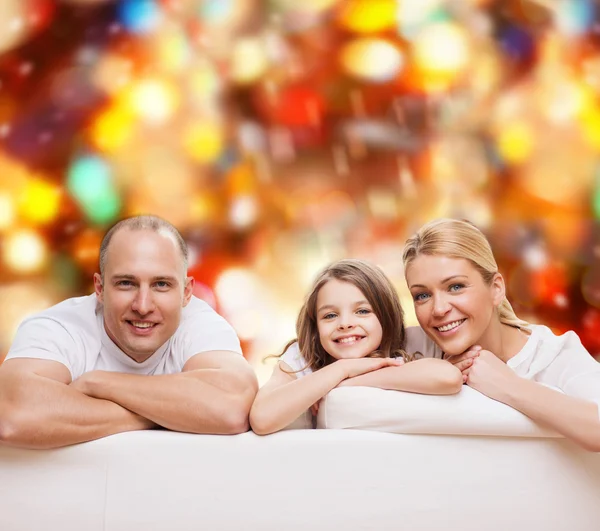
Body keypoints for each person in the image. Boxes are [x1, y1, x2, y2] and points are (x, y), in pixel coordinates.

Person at [0, 215, 258, 449]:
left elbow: (232, 408)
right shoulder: (59, 327)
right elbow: (12, 416)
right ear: (99, 289)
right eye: (126, 283)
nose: (143, 306)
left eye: (161, 284)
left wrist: (99, 384)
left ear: (186, 292)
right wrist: (173, 415)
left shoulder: (201, 324)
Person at [403, 218, 600, 452]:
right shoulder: (415, 346)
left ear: (496, 288)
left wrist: (507, 385)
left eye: (455, 287)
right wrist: (437, 374)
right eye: (422, 295)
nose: (438, 309)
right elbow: (348, 371)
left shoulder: (551, 354)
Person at [250, 259, 463, 435]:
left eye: (362, 311)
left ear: (385, 314)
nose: (345, 323)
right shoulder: (304, 356)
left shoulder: (412, 341)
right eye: (330, 315)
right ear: (316, 325)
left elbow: (448, 377)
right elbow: (262, 418)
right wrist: (341, 369)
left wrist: (346, 383)